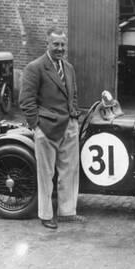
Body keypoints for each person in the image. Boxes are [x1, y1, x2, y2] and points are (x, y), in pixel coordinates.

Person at [19, 28, 85, 229]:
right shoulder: (35, 67)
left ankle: (67, 212)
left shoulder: (69, 68)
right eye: (55, 44)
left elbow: (72, 94)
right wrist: (36, 125)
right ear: (47, 44)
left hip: (69, 127)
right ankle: (46, 214)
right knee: (46, 173)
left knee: (69, 171)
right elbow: (26, 100)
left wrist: (73, 115)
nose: (60, 48)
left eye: (62, 44)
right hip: (47, 129)